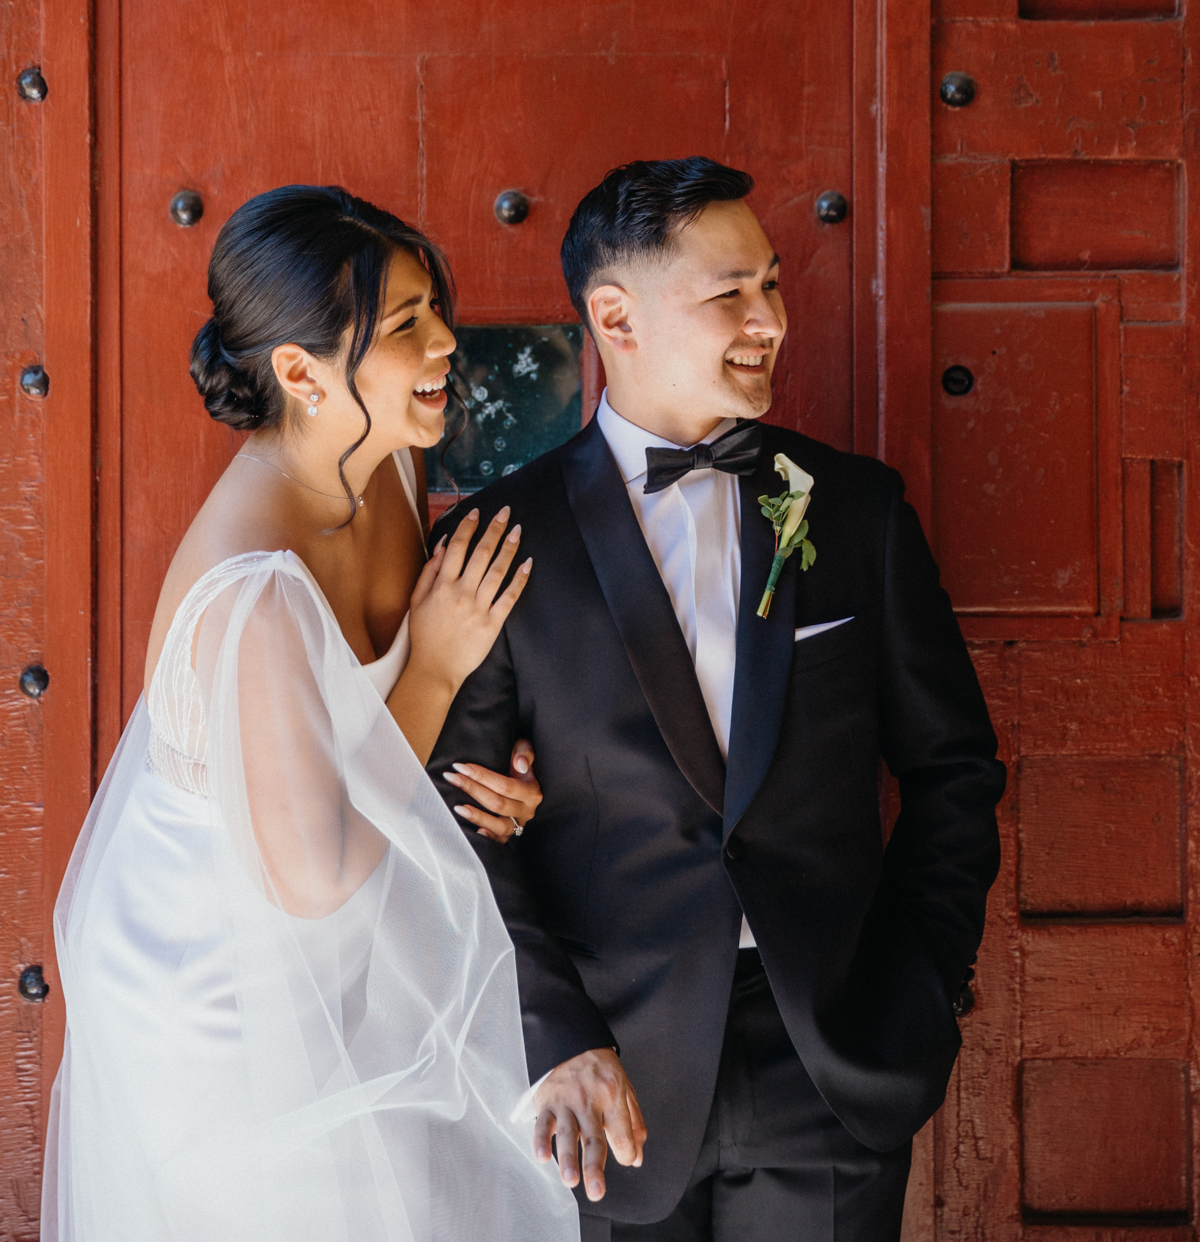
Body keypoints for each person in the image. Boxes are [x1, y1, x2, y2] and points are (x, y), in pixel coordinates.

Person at [429, 157, 1006, 1242]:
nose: (770, 321)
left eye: (774, 285)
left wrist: (919, 986)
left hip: (832, 1060)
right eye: (730, 293)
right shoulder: (498, 541)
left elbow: (954, 773)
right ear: (615, 316)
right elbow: (456, 824)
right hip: (603, 1083)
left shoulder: (859, 510)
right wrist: (550, 1029)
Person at [43, 185, 580, 1242]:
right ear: (298, 373)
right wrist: (430, 668)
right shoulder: (256, 588)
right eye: (403, 328)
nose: (443, 346)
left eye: (435, 310)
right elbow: (315, 876)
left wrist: (491, 769)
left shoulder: (385, 457)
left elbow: (377, 756)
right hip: (230, 999)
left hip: (343, 953)